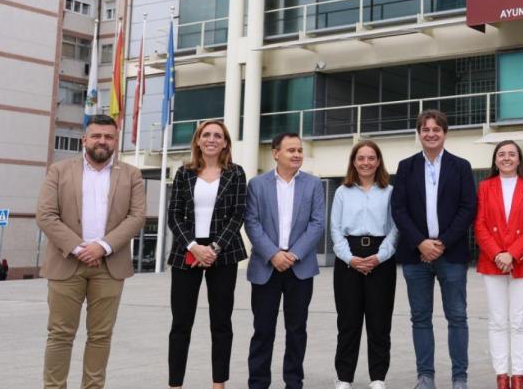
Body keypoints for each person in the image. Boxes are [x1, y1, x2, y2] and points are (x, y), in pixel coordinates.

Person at [36, 114, 147, 389]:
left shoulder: (131, 174)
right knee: (60, 334)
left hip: (110, 266)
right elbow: (46, 215)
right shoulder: (59, 171)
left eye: (108, 136)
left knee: (100, 336)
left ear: (115, 141)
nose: (102, 141)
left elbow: (137, 217)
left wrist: (102, 246)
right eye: (96, 135)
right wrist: (78, 247)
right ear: (84, 139)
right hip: (66, 264)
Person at [391, 109, 477, 389]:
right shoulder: (406, 167)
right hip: (416, 256)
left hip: (450, 254)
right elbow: (399, 209)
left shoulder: (461, 166)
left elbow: (468, 208)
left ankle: (459, 377)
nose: (430, 134)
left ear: (445, 133)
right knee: (420, 317)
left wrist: (442, 243)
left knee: (457, 316)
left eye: (436, 130)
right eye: (425, 129)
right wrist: (421, 242)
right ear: (419, 133)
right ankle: (425, 376)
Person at [166, 120, 248, 389]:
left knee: (221, 323)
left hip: (222, 254)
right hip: (187, 251)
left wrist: (214, 248)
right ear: (198, 141)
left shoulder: (236, 173)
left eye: (218, 135)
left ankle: (218, 384)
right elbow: (174, 215)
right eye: (206, 134)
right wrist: (193, 247)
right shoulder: (183, 173)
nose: (212, 139)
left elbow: (238, 215)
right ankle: (175, 384)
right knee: (181, 323)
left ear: (225, 143)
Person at [245, 132, 325, 389]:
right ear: (276, 153)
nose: (297, 155)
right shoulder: (257, 185)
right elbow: (252, 222)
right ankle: (258, 382)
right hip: (266, 267)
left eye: (300, 150)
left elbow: (317, 223)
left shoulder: (313, 184)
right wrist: (273, 254)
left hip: (299, 268)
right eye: (291, 150)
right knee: (263, 330)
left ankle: (293, 381)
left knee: (297, 330)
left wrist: (293, 254)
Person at [330, 141, 399, 389]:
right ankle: (344, 377)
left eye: (371, 158)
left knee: (379, 321)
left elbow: (395, 228)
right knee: (348, 321)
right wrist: (350, 258)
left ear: (378, 161)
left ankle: (378, 377)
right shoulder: (342, 192)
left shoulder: (390, 191)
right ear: (354, 162)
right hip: (349, 258)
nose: (366, 162)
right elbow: (335, 230)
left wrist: (380, 256)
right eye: (361, 158)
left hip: (381, 258)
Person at [475, 140, 523, 389]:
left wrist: (512, 254)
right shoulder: (484, 186)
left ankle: (519, 376)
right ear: (495, 160)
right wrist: (497, 254)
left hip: (522, 261)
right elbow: (479, 225)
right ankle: (502, 376)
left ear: (519, 159)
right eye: (501, 154)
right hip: (493, 262)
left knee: (519, 321)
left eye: (512, 154)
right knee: (498, 320)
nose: (506, 158)